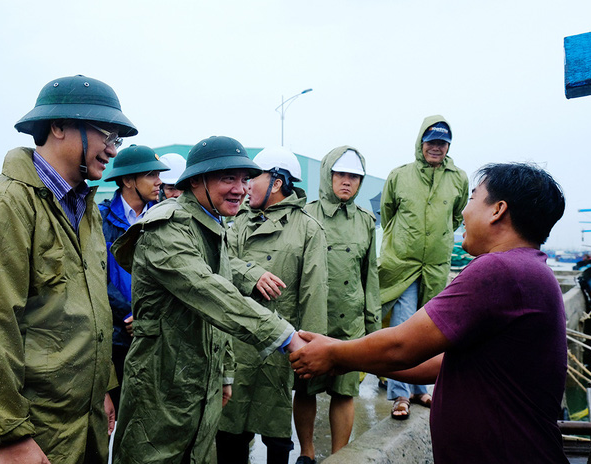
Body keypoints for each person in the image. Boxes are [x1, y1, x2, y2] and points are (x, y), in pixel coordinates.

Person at [291, 163, 568, 463]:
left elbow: (402, 346)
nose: (463, 212)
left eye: (473, 198)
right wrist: (347, 357)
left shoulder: (499, 269)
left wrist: (333, 355)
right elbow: (436, 363)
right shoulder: (530, 270)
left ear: (497, 210)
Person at [0, 75, 137, 464]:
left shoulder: (84, 209)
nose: (112, 150)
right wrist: (12, 435)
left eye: (118, 139)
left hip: (81, 419)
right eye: (107, 135)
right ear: (59, 126)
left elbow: (85, 309)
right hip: (28, 429)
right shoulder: (3, 205)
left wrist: (102, 388)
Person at [110, 136, 307, 464]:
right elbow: (213, 294)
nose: (240, 189)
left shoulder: (213, 227)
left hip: (202, 383)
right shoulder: (167, 229)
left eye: (244, 179)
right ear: (197, 181)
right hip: (161, 388)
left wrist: (224, 375)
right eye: (227, 178)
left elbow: (218, 310)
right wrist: (285, 336)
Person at [216, 146, 328, 464]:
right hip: (235, 345)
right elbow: (220, 270)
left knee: (276, 434)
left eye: (254, 178)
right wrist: (251, 274)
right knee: (230, 430)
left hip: (279, 348)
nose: (245, 186)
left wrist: (312, 351)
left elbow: (314, 294)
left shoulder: (308, 229)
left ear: (277, 183)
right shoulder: (238, 223)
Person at [378, 115, 468, 419]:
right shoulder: (399, 176)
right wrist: (405, 241)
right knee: (402, 328)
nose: (436, 147)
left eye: (442, 142)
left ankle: (421, 389)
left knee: (431, 331)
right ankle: (399, 395)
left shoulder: (458, 178)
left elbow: (457, 217)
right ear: (421, 142)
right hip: (402, 265)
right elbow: (387, 214)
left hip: (435, 267)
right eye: (431, 141)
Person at [298, 147, 381, 462]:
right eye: (341, 174)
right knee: (305, 389)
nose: (347, 182)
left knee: (345, 392)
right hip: (312, 316)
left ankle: (338, 455)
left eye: (354, 176)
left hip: (350, 322)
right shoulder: (306, 214)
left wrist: (373, 329)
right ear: (328, 175)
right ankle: (306, 453)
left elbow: (369, 278)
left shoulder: (365, 221)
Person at [99, 144, 169, 418]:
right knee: (103, 422)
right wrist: (128, 313)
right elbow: (95, 275)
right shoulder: (100, 218)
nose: (159, 181)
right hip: (113, 339)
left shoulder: (164, 219)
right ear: (128, 180)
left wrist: (145, 315)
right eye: (151, 174)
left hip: (151, 336)